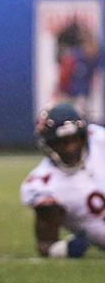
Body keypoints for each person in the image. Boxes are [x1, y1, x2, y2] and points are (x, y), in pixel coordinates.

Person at [19, 103, 103, 258]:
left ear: (84, 136)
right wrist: (66, 249)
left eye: (74, 140)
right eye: (62, 142)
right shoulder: (43, 184)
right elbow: (45, 245)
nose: (70, 148)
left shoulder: (99, 139)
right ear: (48, 143)